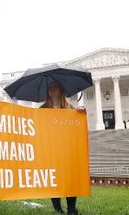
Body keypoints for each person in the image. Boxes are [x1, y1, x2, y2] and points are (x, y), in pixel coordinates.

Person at [40, 82, 84, 215]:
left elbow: (76, 124)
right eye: (50, 88)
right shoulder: (42, 109)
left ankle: (71, 209)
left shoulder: (69, 108)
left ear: (61, 90)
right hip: (51, 150)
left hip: (67, 150)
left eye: (55, 87)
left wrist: (80, 111)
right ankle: (58, 209)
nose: (52, 90)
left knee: (70, 179)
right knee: (54, 179)